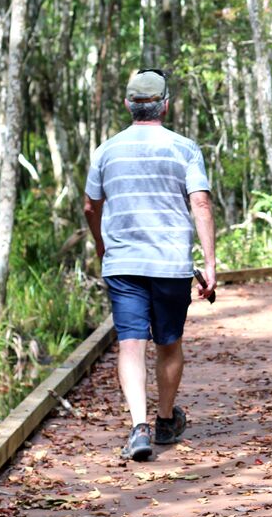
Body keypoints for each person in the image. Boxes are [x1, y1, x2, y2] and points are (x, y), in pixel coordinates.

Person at [83, 68, 217, 461]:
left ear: (128, 105)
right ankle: (164, 420)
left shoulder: (106, 150)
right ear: (166, 105)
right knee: (168, 343)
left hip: (123, 262)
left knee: (130, 344)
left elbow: (91, 205)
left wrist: (101, 244)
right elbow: (201, 203)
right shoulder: (184, 148)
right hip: (170, 263)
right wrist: (209, 265)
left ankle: (138, 427)